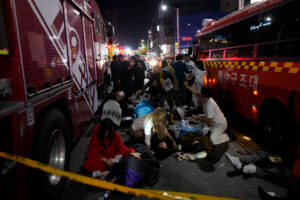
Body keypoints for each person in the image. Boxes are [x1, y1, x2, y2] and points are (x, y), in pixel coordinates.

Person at [84, 100, 141, 177]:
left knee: (124, 161)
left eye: (110, 132)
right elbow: (92, 153)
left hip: (112, 157)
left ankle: (102, 173)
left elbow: (121, 148)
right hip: (101, 159)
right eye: (106, 132)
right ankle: (103, 173)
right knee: (90, 163)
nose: (108, 134)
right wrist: (104, 159)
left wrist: (130, 152)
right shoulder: (96, 136)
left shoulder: (115, 135)